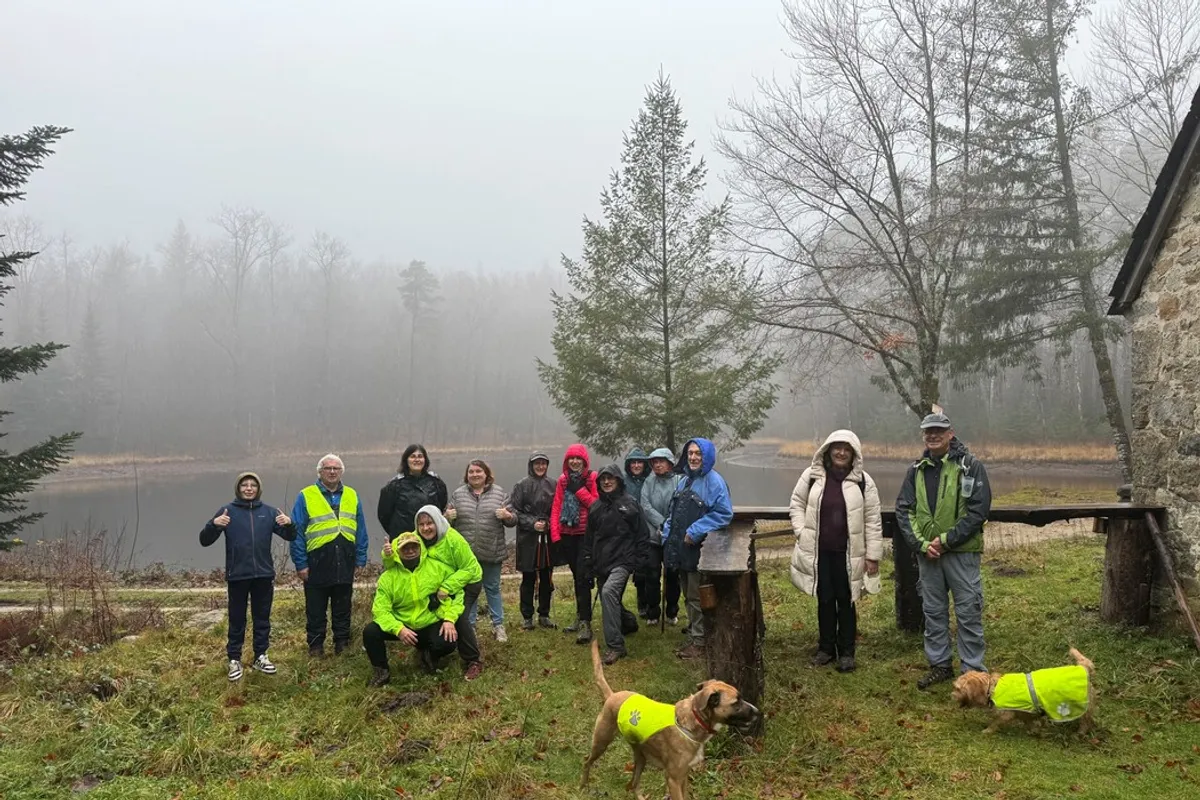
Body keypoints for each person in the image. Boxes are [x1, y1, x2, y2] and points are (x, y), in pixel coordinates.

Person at [895, 411, 992, 690]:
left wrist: (947, 540)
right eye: (928, 432)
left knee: (968, 611)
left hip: (961, 554)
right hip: (929, 555)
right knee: (933, 610)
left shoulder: (970, 466)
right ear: (923, 436)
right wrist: (921, 545)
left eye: (939, 430)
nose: (933, 435)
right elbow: (904, 510)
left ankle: (973, 673)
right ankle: (939, 665)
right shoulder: (915, 470)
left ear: (951, 433)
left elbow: (978, 511)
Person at [788, 430, 883, 673]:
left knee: (847, 601)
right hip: (820, 554)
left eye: (847, 449)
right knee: (825, 600)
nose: (841, 452)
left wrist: (873, 556)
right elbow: (796, 504)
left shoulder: (864, 482)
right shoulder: (812, 476)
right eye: (837, 447)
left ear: (854, 454)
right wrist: (801, 531)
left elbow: (872, 520)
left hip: (849, 555)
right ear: (828, 450)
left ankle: (847, 652)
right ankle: (826, 648)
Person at [200, 472, 296, 681]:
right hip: (238, 575)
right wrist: (214, 524)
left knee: (262, 618)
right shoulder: (228, 512)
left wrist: (289, 523)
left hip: (263, 574)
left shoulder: (269, 513)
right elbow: (205, 540)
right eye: (245, 485)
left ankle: (260, 656)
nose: (249, 488)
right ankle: (234, 659)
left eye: (253, 485)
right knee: (237, 619)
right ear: (238, 488)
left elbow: (291, 536)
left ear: (258, 489)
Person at [382, 505, 485, 680]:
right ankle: (429, 649)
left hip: (468, 581)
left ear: (438, 522)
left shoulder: (453, 539)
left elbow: (470, 568)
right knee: (434, 613)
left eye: (430, 523)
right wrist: (388, 555)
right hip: (443, 584)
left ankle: (473, 660)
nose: (426, 528)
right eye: (421, 524)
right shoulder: (417, 538)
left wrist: (447, 587)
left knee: (458, 617)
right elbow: (394, 559)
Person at [290, 454, 369, 658]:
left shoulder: (352, 494)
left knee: (343, 606)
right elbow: (296, 532)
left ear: (341, 471)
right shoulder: (306, 495)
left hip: (345, 558)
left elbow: (360, 529)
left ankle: (342, 644)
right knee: (315, 608)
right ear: (320, 472)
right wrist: (301, 564)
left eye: (336, 468)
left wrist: (360, 558)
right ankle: (316, 647)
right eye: (328, 468)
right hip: (317, 560)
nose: (332, 472)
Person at [662, 438, 733, 660]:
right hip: (681, 549)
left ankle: (700, 642)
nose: (693, 457)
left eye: (698, 454)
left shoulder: (714, 482)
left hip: (699, 550)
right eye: (690, 453)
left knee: (695, 596)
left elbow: (723, 514)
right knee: (687, 593)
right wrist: (668, 533)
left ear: (707, 456)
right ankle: (695, 629)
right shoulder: (684, 481)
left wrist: (695, 530)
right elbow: (674, 513)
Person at [363, 533, 464, 687]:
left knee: (448, 641)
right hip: (403, 626)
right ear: (398, 551)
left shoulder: (438, 568)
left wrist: (450, 619)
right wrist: (398, 629)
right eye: (405, 548)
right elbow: (380, 611)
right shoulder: (388, 578)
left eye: (413, 547)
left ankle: (428, 655)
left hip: (429, 621)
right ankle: (381, 671)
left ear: (420, 548)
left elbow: (458, 593)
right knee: (370, 632)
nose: (410, 551)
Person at [583, 464, 647, 664]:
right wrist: (587, 562)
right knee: (608, 598)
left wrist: (641, 564)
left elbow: (642, 535)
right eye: (603, 479)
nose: (607, 482)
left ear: (618, 480)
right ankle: (627, 623)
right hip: (602, 562)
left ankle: (616, 646)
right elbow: (589, 539)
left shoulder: (630, 504)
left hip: (623, 561)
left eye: (610, 478)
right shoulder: (595, 508)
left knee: (609, 592)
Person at [447, 459, 515, 642]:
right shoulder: (458, 494)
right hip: (466, 555)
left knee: (492, 588)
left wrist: (507, 515)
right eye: (471, 472)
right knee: (470, 591)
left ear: (486, 474)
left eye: (479, 471)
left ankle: (498, 626)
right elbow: (445, 523)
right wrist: (448, 516)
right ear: (466, 475)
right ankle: (470, 626)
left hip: (492, 550)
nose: (475, 475)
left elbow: (513, 519)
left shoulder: (499, 493)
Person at [550, 443, 600, 643]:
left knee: (583, 577)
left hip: (585, 536)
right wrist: (555, 536)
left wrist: (579, 490)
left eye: (578, 458)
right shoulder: (563, 480)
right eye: (571, 458)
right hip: (567, 535)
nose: (574, 462)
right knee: (576, 576)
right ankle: (580, 617)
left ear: (585, 461)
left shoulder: (592, 478)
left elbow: (595, 505)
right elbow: (556, 507)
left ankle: (586, 624)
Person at [508, 452, 557, 631]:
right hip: (528, 538)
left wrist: (550, 524)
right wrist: (531, 523)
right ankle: (527, 616)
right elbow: (514, 510)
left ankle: (544, 614)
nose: (540, 466)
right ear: (531, 465)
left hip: (548, 536)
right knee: (528, 578)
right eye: (537, 463)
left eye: (543, 463)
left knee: (546, 577)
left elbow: (557, 508)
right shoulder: (521, 485)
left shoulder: (553, 484)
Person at [638, 447, 682, 627]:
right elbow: (645, 505)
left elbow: (679, 503)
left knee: (672, 573)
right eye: (654, 462)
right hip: (652, 535)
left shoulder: (680, 480)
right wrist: (660, 522)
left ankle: (672, 610)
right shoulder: (649, 481)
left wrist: (669, 524)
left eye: (661, 461)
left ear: (670, 463)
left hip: (672, 535)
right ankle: (653, 611)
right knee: (652, 573)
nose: (657, 464)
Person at [377, 444, 449, 540]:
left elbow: (442, 506)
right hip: (404, 540)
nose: (417, 460)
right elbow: (384, 515)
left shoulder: (436, 482)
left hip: (430, 538)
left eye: (420, 456)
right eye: (412, 456)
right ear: (406, 460)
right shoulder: (394, 485)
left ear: (425, 460)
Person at [622, 448, 652, 618]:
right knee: (635, 569)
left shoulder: (650, 480)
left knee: (647, 567)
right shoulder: (623, 482)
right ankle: (640, 603)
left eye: (639, 462)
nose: (636, 465)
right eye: (633, 462)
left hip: (648, 528)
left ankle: (647, 602)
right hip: (629, 529)